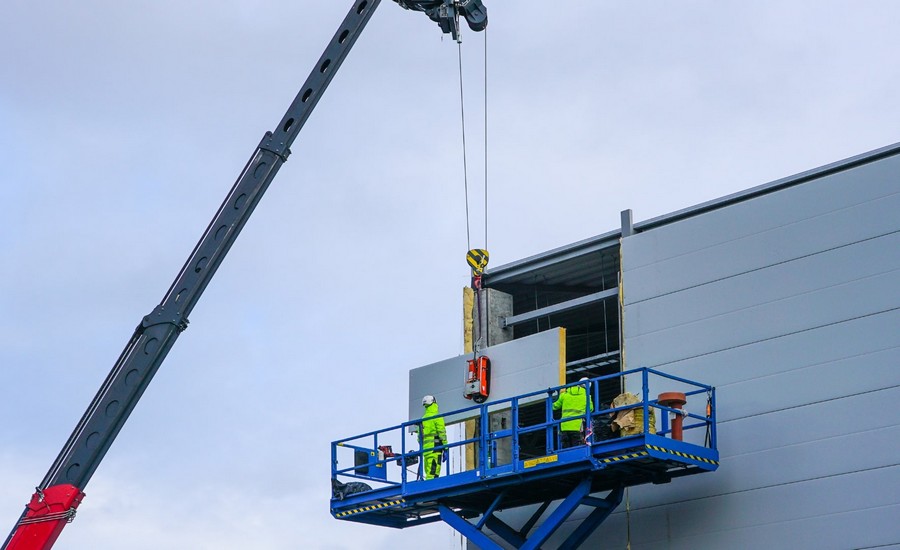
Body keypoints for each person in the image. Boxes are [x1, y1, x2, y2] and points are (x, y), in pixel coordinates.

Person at [552, 377, 593, 448]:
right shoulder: (586, 396)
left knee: (566, 448)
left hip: (564, 426)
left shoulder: (564, 395)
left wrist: (549, 400)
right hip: (577, 427)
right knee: (577, 448)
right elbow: (590, 409)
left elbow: (554, 407)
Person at [420, 394, 447, 480]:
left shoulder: (422, 419)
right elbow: (442, 433)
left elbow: (419, 437)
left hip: (425, 450)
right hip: (435, 448)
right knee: (434, 473)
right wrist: (445, 447)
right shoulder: (437, 417)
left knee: (428, 471)